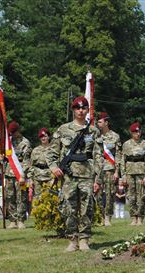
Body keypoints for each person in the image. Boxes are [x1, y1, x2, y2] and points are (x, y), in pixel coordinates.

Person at [49, 96, 101, 252]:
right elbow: (52, 152)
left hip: (87, 174)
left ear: (87, 110)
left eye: (84, 108)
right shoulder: (63, 129)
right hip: (68, 176)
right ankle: (72, 239)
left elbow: (98, 156)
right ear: (73, 110)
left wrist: (98, 179)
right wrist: (54, 167)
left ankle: (84, 239)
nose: (81, 111)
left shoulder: (93, 131)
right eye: (77, 108)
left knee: (87, 208)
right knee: (67, 208)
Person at [120, 122, 145, 226]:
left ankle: (140, 218)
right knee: (130, 196)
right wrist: (123, 176)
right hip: (129, 172)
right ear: (131, 133)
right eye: (135, 132)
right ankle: (133, 217)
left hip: (141, 172)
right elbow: (122, 161)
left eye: (139, 131)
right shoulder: (126, 144)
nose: (138, 134)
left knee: (141, 195)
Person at [3, 121, 31, 229]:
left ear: (18, 131)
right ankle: (12, 220)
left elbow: (26, 160)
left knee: (21, 197)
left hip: (20, 174)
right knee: (10, 197)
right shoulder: (8, 142)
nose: (13, 134)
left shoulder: (25, 142)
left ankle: (21, 220)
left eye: (14, 132)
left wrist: (23, 175)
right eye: (11, 133)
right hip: (9, 173)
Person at [95, 112, 121, 226]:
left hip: (110, 168)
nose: (98, 124)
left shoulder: (115, 136)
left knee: (110, 193)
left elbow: (118, 155)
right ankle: (100, 217)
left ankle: (107, 217)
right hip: (98, 169)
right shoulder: (95, 136)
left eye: (100, 122)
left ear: (106, 122)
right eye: (97, 122)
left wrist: (117, 171)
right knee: (98, 193)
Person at [28, 127, 55, 205]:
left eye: (45, 136)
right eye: (41, 137)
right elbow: (31, 166)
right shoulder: (35, 150)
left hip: (49, 177)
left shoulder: (53, 150)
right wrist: (30, 179)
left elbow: (57, 165)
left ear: (48, 137)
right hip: (37, 178)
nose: (43, 138)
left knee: (49, 199)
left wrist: (54, 178)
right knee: (38, 200)